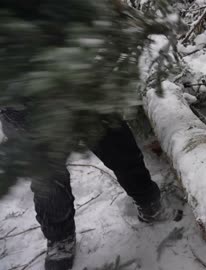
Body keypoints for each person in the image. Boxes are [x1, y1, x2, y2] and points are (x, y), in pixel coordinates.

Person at [0, 0, 182, 269]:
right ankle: (60, 239)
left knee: (120, 149)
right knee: (47, 178)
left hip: (81, 79)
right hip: (20, 99)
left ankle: (149, 202)